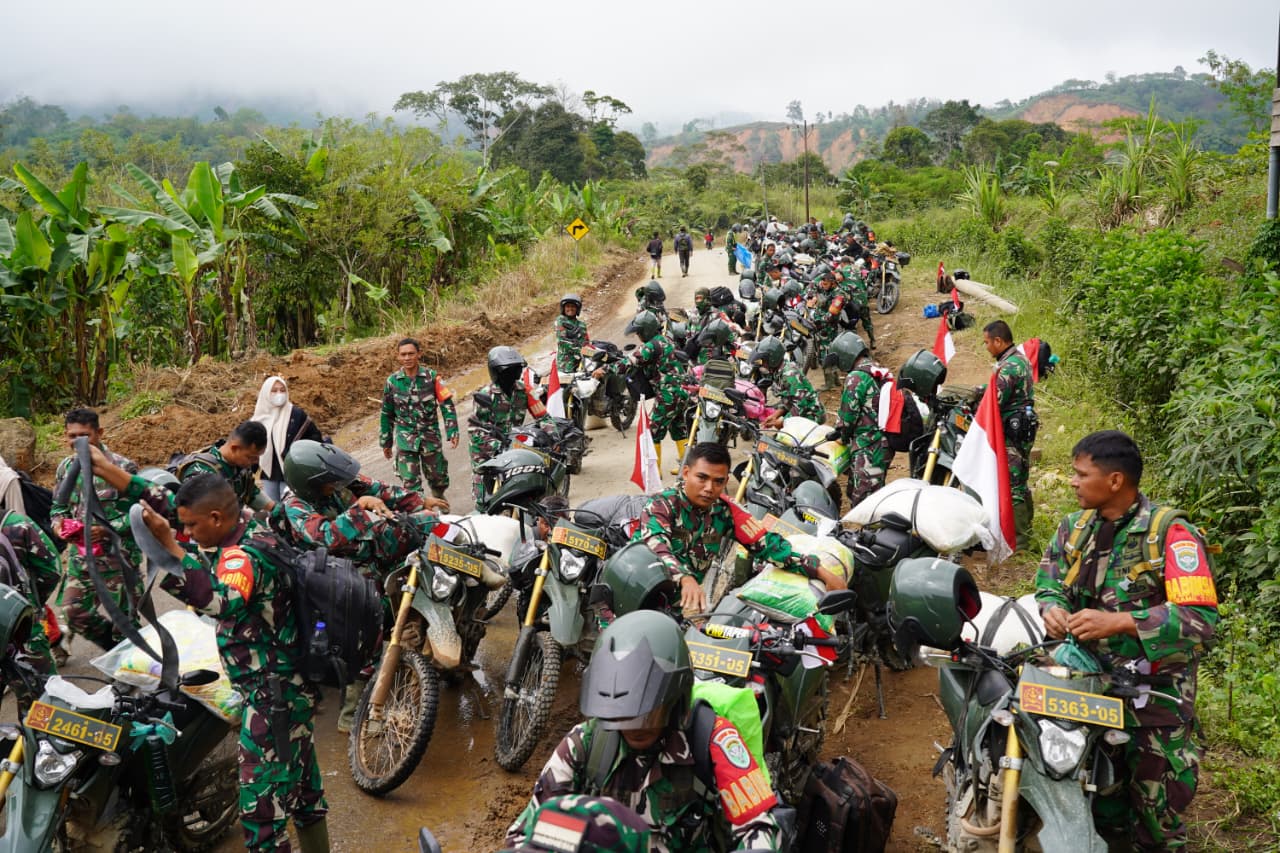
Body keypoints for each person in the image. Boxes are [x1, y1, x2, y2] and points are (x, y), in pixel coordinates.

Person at [83, 452, 331, 853]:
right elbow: (175, 502)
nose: (188, 533)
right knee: (303, 790)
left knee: (261, 820)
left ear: (216, 519)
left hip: (275, 698)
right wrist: (115, 475)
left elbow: (220, 601)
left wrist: (170, 548)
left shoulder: (243, 555)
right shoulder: (243, 523)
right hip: (287, 688)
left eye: (193, 527)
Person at [1035, 430, 1217, 852]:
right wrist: (1052, 610)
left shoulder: (1170, 535)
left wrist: (1119, 622)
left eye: (1082, 474)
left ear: (1115, 481)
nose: (1073, 482)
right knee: (1094, 798)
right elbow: (1049, 584)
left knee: (1155, 815)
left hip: (1155, 701)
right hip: (1086, 689)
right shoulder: (1074, 528)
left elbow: (1200, 619)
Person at [507, 610, 783, 852]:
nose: (633, 727)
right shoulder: (586, 742)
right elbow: (527, 830)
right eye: (622, 714)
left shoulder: (713, 739)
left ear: (675, 701)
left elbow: (759, 826)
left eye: (645, 712)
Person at [633, 442, 846, 613]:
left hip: (679, 609)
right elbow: (657, 547)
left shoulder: (725, 511)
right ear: (686, 473)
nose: (709, 488)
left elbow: (769, 546)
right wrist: (684, 578)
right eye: (702, 478)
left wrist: (820, 571)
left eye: (718, 481)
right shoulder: (662, 505)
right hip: (636, 598)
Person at [50, 408, 143, 652]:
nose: (76, 442)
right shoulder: (66, 468)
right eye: (72, 436)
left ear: (99, 433)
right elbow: (57, 508)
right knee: (73, 612)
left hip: (119, 559)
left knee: (126, 622)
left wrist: (106, 529)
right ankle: (114, 650)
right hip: (81, 559)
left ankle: (131, 670)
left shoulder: (122, 468)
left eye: (84, 435)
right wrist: (60, 526)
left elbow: (140, 516)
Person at [379, 337, 459, 501]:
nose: (407, 358)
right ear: (398, 356)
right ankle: (421, 513)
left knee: (438, 477)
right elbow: (387, 413)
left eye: (411, 354)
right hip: (405, 440)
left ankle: (438, 495)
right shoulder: (392, 382)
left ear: (419, 354)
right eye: (403, 355)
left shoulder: (432, 377)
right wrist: (386, 442)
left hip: (430, 437)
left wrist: (452, 430)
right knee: (410, 483)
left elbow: (446, 404)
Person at [981, 320, 1037, 549]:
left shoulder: (1009, 367)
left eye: (987, 342)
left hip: (1013, 433)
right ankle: (1026, 530)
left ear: (998, 341)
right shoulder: (1017, 359)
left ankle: (1021, 540)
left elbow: (993, 401)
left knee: (1014, 484)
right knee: (1020, 479)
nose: (986, 347)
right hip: (1022, 429)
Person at [469, 346, 551, 502]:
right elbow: (476, 431)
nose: (513, 374)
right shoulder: (485, 395)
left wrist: (553, 437)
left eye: (516, 370)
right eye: (509, 371)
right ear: (497, 373)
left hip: (515, 446)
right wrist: (497, 445)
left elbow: (543, 417)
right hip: (487, 451)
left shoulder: (525, 391)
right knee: (485, 499)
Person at [827, 333, 889, 507]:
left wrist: (842, 436)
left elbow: (848, 416)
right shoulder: (874, 368)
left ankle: (872, 532)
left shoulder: (856, 377)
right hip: (882, 441)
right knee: (869, 488)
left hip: (868, 444)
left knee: (866, 500)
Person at [628, 311, 691, 477]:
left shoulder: (650, 345)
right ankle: (687, 468)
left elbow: (631, 362)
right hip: (682, 392)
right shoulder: (665, 340)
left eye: (639, 332)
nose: (638, 336)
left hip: (668, 394)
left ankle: (654, 473)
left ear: (645, 330)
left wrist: (605, 368)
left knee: (652, 431)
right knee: (678, 429)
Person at [0, 508, 62, 673]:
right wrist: (33, 604)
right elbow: (51, 571)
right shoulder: (17, 524)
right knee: (43, 692)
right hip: (23, 627)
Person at [253, 376, 323, 504]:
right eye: (274, 391)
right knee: (273, 511)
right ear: (266, 394)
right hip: (269, 475)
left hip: (292, 471)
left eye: (282, 390)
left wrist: (297, 452)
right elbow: (253, 449)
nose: (279, 394)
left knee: (292, 507)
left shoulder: (296, 415)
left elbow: (315, 438)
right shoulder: (259, 419)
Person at [178, 420, 274, 512]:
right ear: (234, 448)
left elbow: (251, 493)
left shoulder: (239, 467)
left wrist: (276, 510)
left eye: (258, 457)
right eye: (251, 457)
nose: (256, 462)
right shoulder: (202, 472)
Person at [751, 336, 824, 426]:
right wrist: (775, 415)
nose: (763, 365)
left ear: (772, 359)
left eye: (764, 361)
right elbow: (788, 400)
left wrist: (780, 422)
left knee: (780, 435)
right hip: (801, 410)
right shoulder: (778, 372)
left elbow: (801, 406)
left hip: (812, 414)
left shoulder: (789, 375)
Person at [555, 294, 590, 374]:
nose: (570, 309)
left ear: (577, 309)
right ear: (563, 308)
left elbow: (586, 342)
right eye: (567, 306)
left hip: (582, 363)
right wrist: (581, 350)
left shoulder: (582, 325)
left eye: (573, 306)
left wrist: (591, 352)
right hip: (566, 365)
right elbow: (562, 341)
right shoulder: (560, 320)